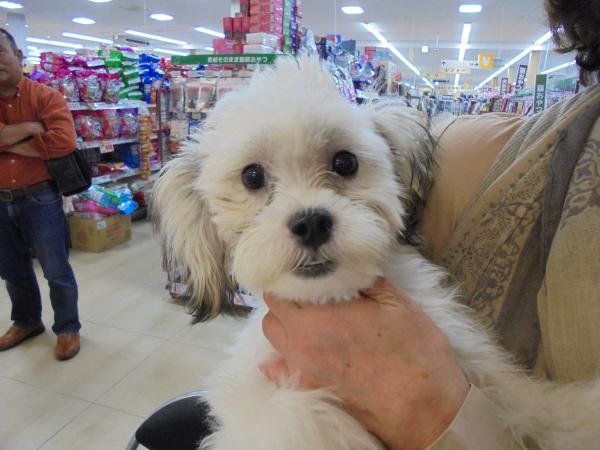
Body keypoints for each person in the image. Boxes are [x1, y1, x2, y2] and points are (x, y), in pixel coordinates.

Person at [261, 0, 600, 448]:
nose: (307, 213)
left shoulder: (451, 162)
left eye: (343, 165)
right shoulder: (473, 155)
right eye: (256, 179)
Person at [0, 29, 81, 360]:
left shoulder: (47, 97)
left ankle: (67, 327)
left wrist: (5, 139)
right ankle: (26, 321)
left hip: (40, 197)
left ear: (18, 57)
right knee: (11, 269)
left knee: (56, 269)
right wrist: (32, 130)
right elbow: (47, 140)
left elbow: (63, 142)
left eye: (0, 52)